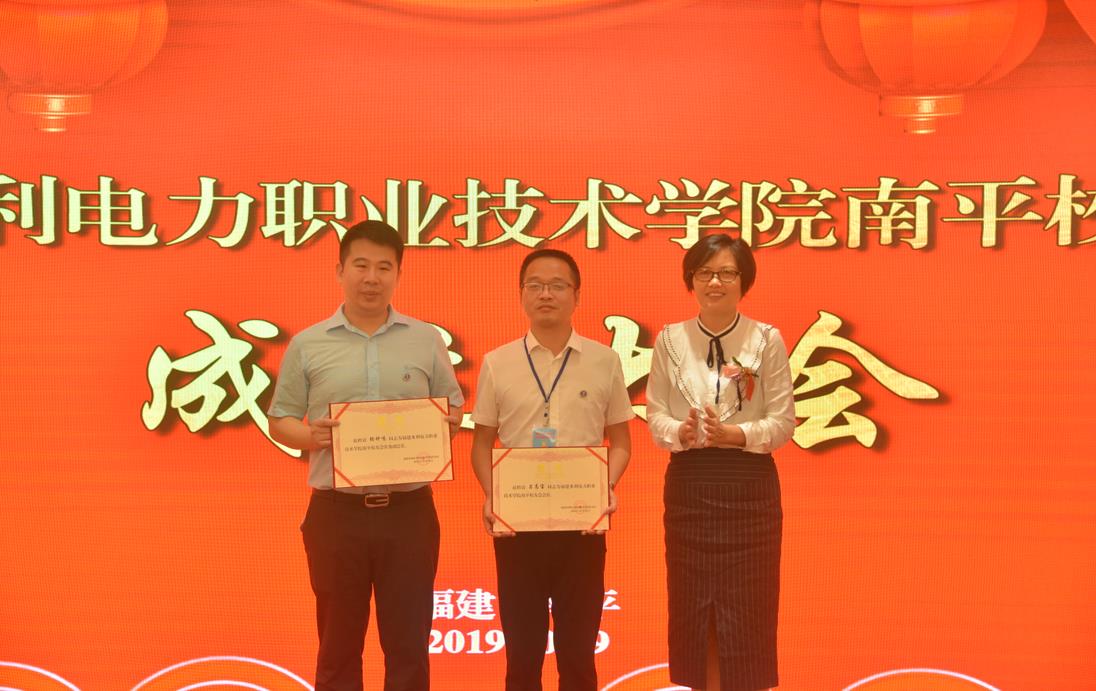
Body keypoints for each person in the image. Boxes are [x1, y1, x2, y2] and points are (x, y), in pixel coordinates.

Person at [267, 220, 464, 691]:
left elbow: (454, 410)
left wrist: (436, 428)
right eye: (360, 265)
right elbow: (280, 420)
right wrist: (311, 436)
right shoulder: (308, 343)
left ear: (398, 274)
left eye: (383, 267)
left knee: (409, 647)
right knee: (337, 648)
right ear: (340, 271)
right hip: (337, 514)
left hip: (408, 513)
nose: (371, 278)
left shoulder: (425, 339)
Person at [470, 248, 633, 691]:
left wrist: (605, 486)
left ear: (577, 296)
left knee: (578, 657)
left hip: (582, 527)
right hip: (517, 529)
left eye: (558, 285)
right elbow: (481, 444)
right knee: (522, 658)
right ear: (521, 295)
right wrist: (493, 495)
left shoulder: (604, 360)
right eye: (535, 285)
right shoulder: (498, 362)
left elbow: (621, 442)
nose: (546, 294)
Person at [645, 234, 795, 691]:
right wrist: (681, 433)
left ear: (743, 281)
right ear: (691, 279)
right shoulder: (670, 339)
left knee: (748, 610)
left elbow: (783, 422)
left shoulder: (766, 338)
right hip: (691, 486)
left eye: (727, 273)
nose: (715, 282)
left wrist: (737, 435)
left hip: (749, 487)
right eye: (705, 273)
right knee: (694, 609)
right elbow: (655, 415)